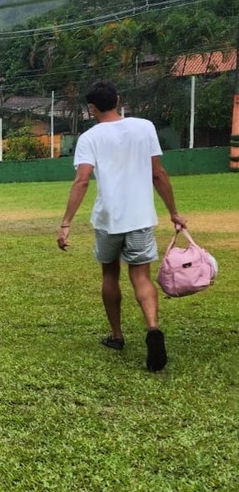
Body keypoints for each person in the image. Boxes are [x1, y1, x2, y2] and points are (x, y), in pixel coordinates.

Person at [57, 79, 187, 373]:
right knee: (141, 277)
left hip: (108, 220)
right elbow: (158, 174)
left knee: (110, 273)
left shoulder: (89, 138)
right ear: (117, 100)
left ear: (91, 108)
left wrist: (66, 224)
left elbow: (81, 180)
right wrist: (174, 212)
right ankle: (152, 327)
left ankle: (116, 336)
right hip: (140, 217)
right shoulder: (145, 127)